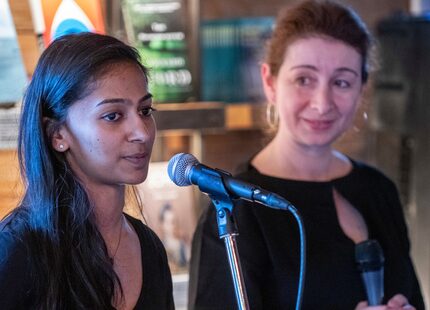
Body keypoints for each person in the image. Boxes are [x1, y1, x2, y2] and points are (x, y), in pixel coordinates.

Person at [188, 1, 425, 309]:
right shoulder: (236, 207)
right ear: (270, 82)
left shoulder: (379, 190)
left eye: (341, 82)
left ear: (361, 89)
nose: (322, 103)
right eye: (304, 79)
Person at [0, 33, 174, 309]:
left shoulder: (149, 247)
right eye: (113, 116)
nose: (141, 132)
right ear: (57, 134)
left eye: (145, 110)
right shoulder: (17, 250)